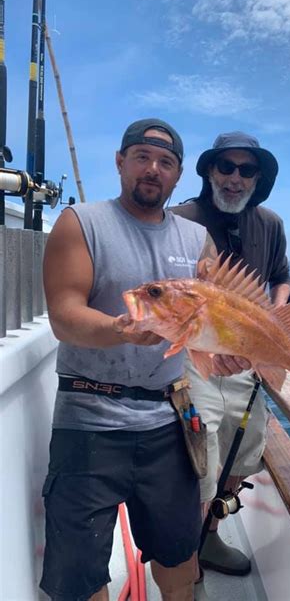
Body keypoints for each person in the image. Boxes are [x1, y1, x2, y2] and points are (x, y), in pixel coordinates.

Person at [39, 118, 219, 601]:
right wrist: (118, 330)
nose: (153, 169)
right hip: (88, 420)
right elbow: (64, 316)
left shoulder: (198, 239)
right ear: (120, 162)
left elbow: (213, 323)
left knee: (180, 556)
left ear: (178, 176)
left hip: (170, 417)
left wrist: (230, 354)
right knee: (79, 576)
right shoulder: (81, 222)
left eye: (166, 162)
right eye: (142, 157)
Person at [171, 132, 290, 580]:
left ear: (258, 178)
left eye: (247, 170)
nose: (235, 178)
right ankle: (185, 547)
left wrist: (275, 317)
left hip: (245, 357)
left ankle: (212, 535)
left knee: (244, 452)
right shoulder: (181, 219)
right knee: (198, 452)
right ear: (208, 171)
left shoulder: (271, 224)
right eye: (226, 167)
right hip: (193, 356)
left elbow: (280, 276)